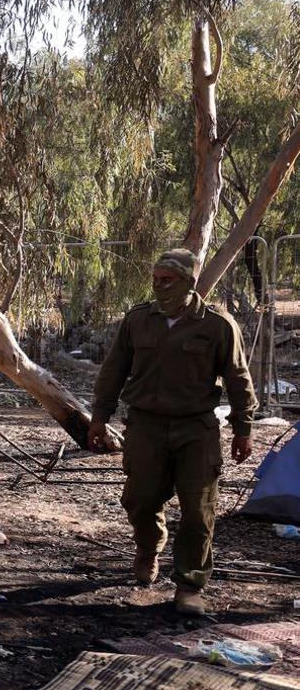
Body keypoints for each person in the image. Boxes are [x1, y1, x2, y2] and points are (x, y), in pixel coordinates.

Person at [89, 248, 257, 616]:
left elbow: (238, 378)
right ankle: (148, 549)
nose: (159, 286)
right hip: (145, 426)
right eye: (156, 279)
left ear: (189, 282)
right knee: (140, 500)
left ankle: (189, 585)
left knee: (199, 511)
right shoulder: (138, 321)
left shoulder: (217, 325)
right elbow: (113, 371)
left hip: (196, 429)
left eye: (168, 280)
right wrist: (99, 417)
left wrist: (243, 428)